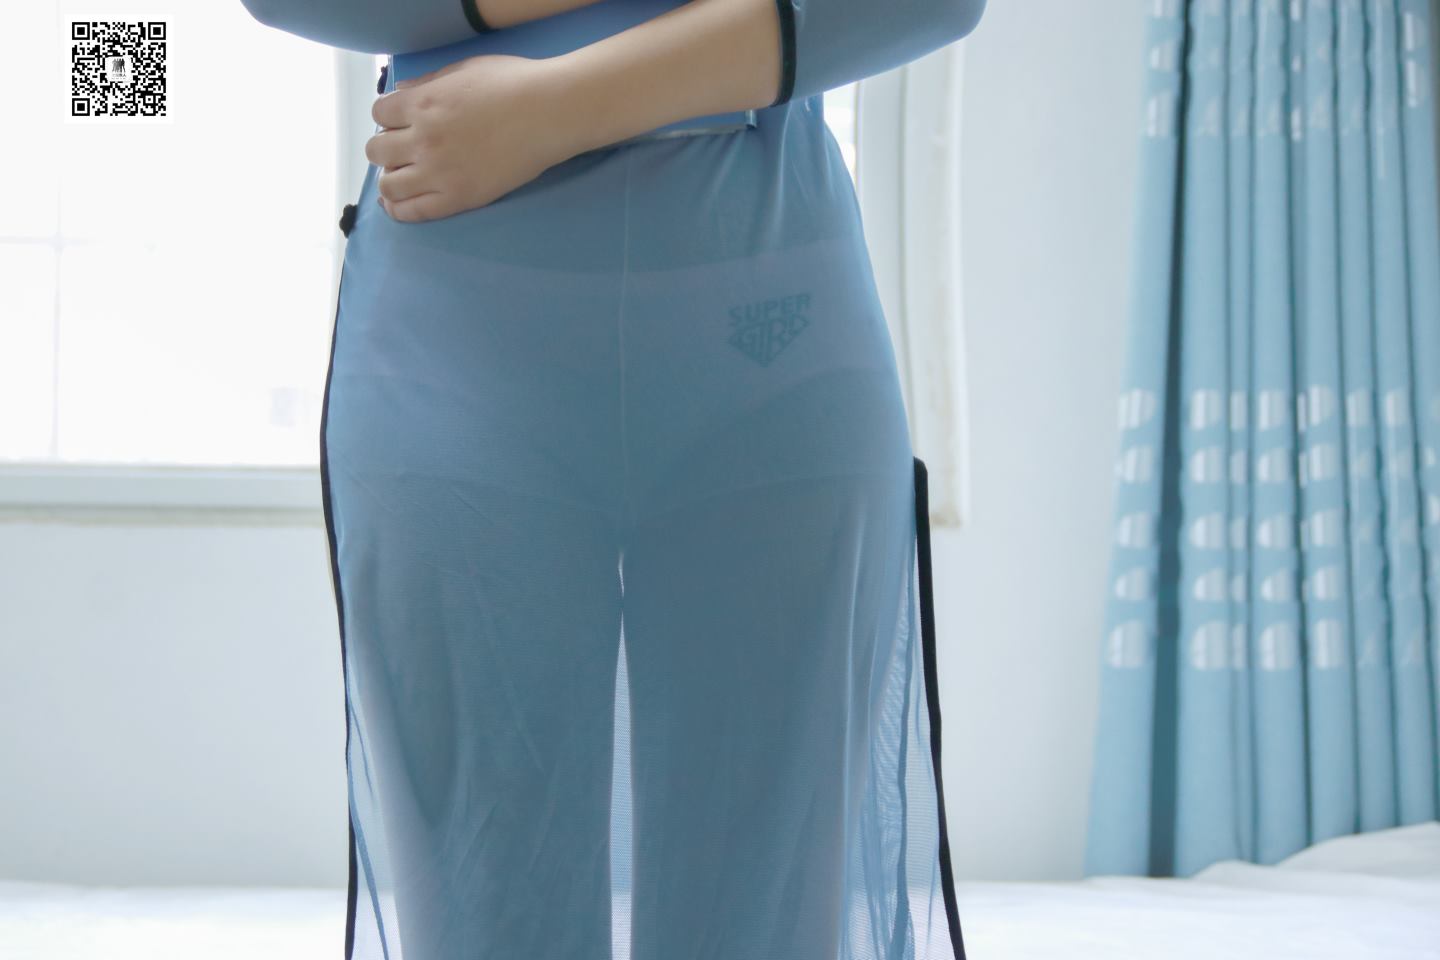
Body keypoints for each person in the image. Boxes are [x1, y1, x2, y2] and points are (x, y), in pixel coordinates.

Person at [238, 1, 986, 958]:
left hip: (766, 330)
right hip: (462, 345)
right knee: (483, 900)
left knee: (766, 901)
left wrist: (555, 107)